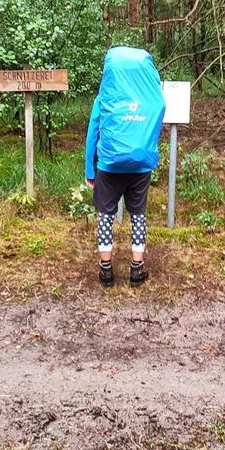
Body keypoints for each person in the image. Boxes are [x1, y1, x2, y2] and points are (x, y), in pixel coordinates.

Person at [84, 47, 166, 287]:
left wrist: (90, 169)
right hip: (140, 168)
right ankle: (136, 269)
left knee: (106, 216)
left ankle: (106, 270)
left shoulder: (105, 98)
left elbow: (93, 133)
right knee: (138, 216)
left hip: (109, 167)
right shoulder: (151, 99)